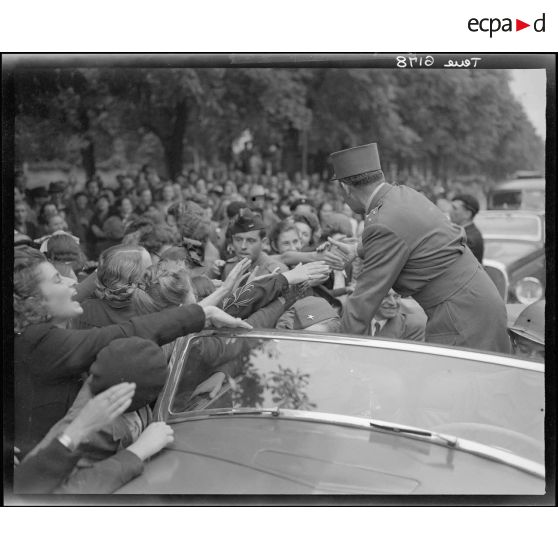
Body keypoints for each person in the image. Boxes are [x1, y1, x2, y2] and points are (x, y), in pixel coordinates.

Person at [13, 246, 252, 456]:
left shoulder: (37, 337)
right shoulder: (40, 342)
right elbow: (128, 331)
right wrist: (204, 312)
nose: (72, 282)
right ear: (35, 301)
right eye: (57, 280)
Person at [327, 142, 510, 353]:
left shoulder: (382, 222)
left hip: (461, 315)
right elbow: (410, 238)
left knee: (461, 383)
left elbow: (364, 300)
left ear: (345, 188)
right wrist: (357, 250)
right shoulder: (402, 194)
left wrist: (340, 350)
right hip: (474, 302)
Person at [213, 208, 288, 281]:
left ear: (263, 243)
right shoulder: (229, 268)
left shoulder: (277, 272)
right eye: (238, 240)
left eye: (250, 240)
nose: (243, 246)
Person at [450, 194, 484, 263]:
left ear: (467, 214)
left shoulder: (468, 238)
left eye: (455, 208)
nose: (450, 211)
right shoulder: (466, 233)